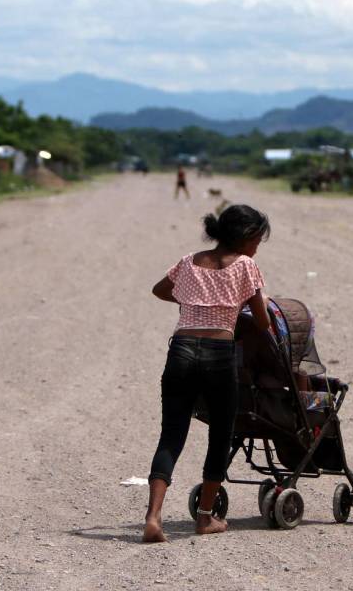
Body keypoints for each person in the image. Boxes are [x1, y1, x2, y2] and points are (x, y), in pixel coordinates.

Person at [143, 205, 272, 542]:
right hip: (218, 355)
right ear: (244, 237)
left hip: (181, 350)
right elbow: (263, 322)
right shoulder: (246, 266)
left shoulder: (189, 261)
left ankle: (153, 518)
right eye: (258, 238)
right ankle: (204, 518)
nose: (258, 246)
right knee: (221, 435)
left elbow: (159, 289)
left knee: (172, 435)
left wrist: (194, 302)